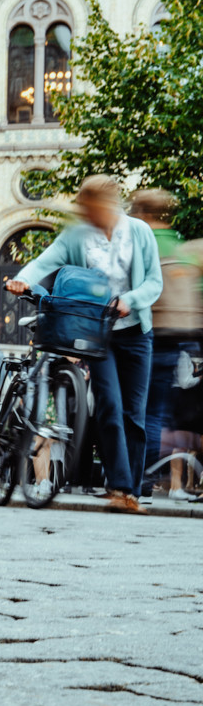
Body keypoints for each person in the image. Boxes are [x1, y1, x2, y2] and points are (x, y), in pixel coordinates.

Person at [7, 175, 163, 514]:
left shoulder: (138, 232)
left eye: (94, 208)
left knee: (133, 413)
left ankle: (130, 493)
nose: (89, 215)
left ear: (109, 204)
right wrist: (22, 279)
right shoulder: (77, 236)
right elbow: (46, 261)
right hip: (98, 333)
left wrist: (131, 299)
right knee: (108, 404)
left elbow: (154, 282)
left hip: (136, 332)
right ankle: (119, 485)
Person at [131, 188, 198, 498]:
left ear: (143, 213)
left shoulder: (142, 242)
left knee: (132, 407)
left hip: (142, 332)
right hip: (175, 336)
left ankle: (126, 476)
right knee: (156, 411)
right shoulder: (181, 248)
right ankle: (145, 479)